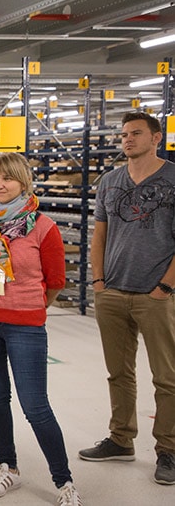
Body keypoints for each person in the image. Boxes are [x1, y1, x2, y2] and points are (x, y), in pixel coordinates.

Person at [0, 152, 81, 505]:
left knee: (35, 406)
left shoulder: (44, 228)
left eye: (7, 178)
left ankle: (64, 482)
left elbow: (56, 281)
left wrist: (26, 307)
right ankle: (8, 467)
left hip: (25, 327)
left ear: (24, 182)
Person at [78, 111, 175, 486]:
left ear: (156, 138)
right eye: (123, 135)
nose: (127, 140)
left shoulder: (172, 178)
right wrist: (99, 282)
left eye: (136, 133)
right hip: (113, 292)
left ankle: (168, 450)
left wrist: (165, 288)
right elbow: (99, 235)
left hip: (157, 295)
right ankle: (121, 439)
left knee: (166, 377)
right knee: (119, 372)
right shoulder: (110, 181)